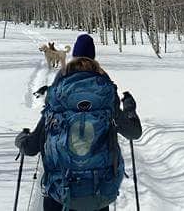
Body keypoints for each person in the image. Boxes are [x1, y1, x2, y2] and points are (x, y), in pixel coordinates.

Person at [16, 34, 142, 211]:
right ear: (93, 57)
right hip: (98, 193)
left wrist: (21, 139)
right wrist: (129, 108)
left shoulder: (57, 94)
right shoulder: (105, 95)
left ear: (74, 56)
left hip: (59, 194)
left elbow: (32, 147)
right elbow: (133, 132)